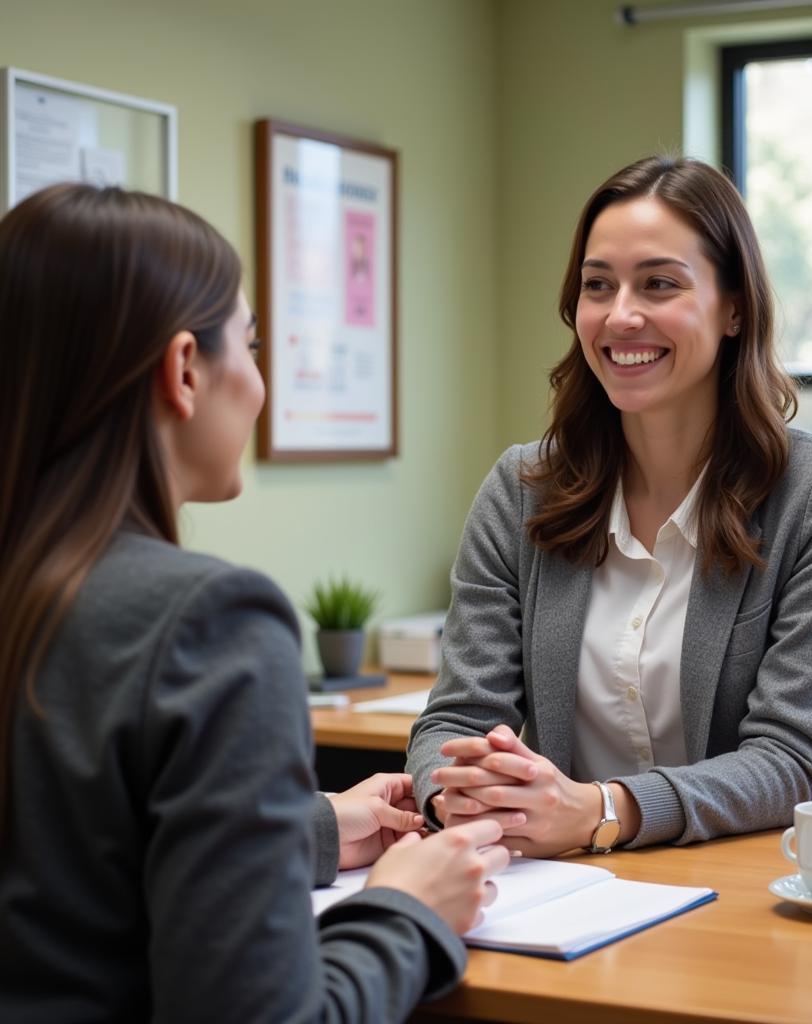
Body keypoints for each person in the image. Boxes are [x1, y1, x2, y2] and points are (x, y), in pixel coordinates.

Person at [0, 183, 510, 1023]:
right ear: (184, 370)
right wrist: (407, 912)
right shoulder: (208, 622)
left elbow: (61, 850)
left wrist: (306, 827)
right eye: (252, 343)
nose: (262, 380)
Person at [407, 155, 812, 859]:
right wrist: (460, 785)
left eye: (659, 283)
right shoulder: (521, 488)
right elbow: (456, 716)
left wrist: (602, 811)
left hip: (758, 889)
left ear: (734, 307)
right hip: (562, 890)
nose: (621, 315)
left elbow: (793, 758)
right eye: (598, 286)